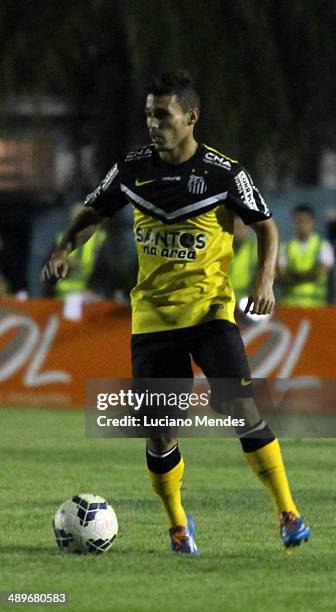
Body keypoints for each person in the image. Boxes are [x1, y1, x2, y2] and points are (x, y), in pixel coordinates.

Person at [41, 70, 310, 554]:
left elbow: (267, 227)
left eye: (162, 115)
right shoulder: (131, 169)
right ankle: (179, 525)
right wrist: (66, 248)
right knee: (161, 434)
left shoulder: (224, 173)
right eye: (148, 114)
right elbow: (92, 213)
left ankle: (287, 512)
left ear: (190, 117)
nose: (152, 123)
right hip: (153, 322)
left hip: (210, 314)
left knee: (242, 409)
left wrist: (264, 280)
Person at [278, 204, 334, 306]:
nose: (302, 225)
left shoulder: (323, 246)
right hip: (289, 307)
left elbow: (319, 272)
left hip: (315, 307)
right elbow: (281, 275)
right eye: (298, 221)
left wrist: (293, 277)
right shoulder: (285, 247)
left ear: (312, 222)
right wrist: (307, 276)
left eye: (305, 221)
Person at [229, 215, 258, 302]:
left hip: (246, 296)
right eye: (235, 228)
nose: (238, 232)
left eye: (241, 228)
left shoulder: (254, 247)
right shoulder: (224, 247)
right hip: (226, 295)